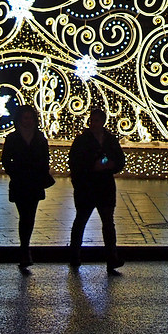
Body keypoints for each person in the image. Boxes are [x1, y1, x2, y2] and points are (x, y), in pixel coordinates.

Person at [68, 107, 126, 274]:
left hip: (105, 186)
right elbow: (75, 162)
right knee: (81, 221)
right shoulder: (82, 140)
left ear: (103, 122)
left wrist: (111, 164)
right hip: (87, 186)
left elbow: (119, 159)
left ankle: (111, 258)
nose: (94, 124)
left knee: (108, 223)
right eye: (92, 120)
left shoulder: (109, 140)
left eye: (98, 121)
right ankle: (75, 255)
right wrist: (92, 167)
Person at [2, 104, 53, 271]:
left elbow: (45, 160)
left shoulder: (40, 139)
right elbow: (5, 159)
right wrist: (14, 172)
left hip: (34, 182)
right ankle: (25, 249)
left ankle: (25, 248)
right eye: (25, 118)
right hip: (20, 182)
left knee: (29, 216)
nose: (28, 121)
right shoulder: (13, 138)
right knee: (25, 215)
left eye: (30, 118)